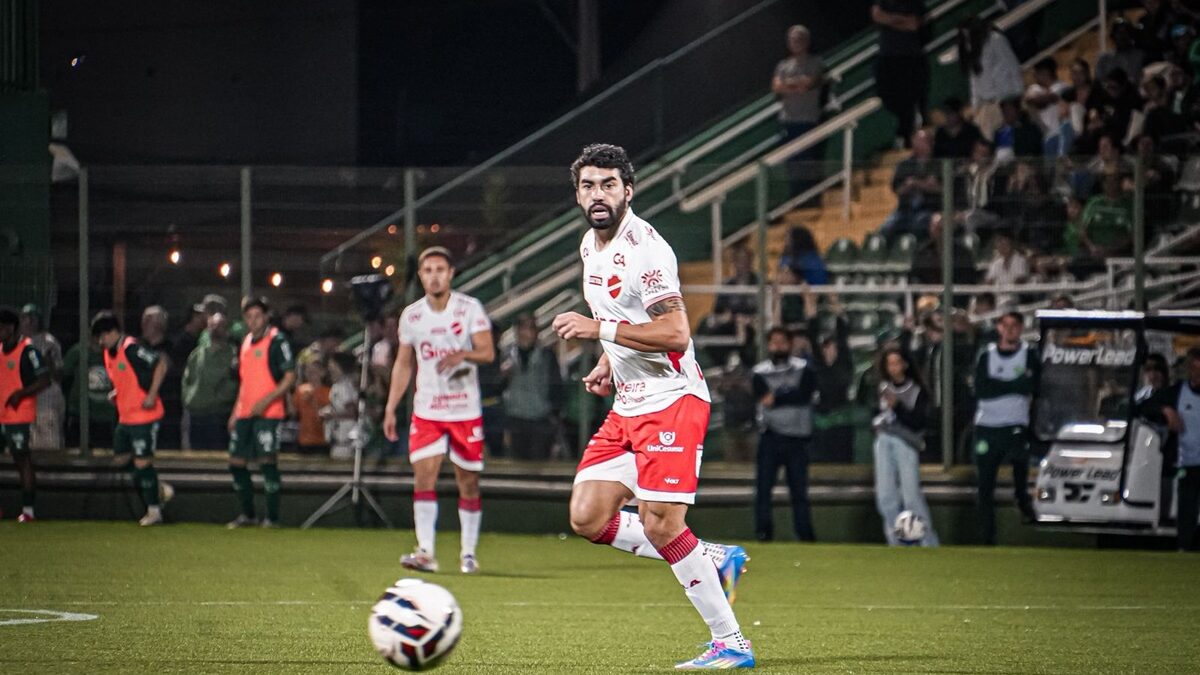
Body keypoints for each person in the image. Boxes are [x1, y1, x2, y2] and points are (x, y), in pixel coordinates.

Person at [551, 143, 754, 669]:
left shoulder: (647, 249)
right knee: (587, 516)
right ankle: (709, 556)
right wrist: (608, 359)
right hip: (628, 403)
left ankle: (731, 643)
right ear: (578, 195)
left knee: (662, 523)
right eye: (589, 186)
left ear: (628, 191)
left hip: (672, 401)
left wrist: (599, 330)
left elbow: (675, 332)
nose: (598, 194)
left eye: (609, 185)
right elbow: (627, 317)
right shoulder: (589, 246)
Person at [382, 247, 495, 574]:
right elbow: (403, 364)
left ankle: (468, 553)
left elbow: (488, 352)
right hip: (428, 410)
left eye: (440, 270)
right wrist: (391, 407)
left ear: (451, 274)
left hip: (464, 410)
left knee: (468, 482)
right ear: (421, 276)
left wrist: (463, 355)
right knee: (423, 477)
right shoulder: (412, 316)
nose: (434, 276)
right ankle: (426, 552)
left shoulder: (469, 308)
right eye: (428, 270)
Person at [91, 311, 169, 527]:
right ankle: (159, 488)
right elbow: (126, 378)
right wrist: (117, 393)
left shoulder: (131, 348)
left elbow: (160, 365)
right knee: (122, 458)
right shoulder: (109, 353)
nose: (101, 341)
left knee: (142, 462)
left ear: (113, 332)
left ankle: (154, 510)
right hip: (126, 417)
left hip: (145, 415)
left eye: (102, 336)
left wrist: (152, 395)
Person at [226, 296, 296, 529]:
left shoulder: (277, 341)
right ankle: (248, 514)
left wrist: (266, 401)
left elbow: (289, 377)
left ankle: (272, 517)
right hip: (245, 412)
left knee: (267, 461)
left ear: (266, 316)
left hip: (269, 412)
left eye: (257, 315)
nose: (253, 321)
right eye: (249, 317)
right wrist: (236, 411)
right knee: (236, 462)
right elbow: (244, 381)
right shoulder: (245, 342)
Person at [972, 311, 1038, 545]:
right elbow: (982, 390)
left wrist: (999, 385)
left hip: (1015, 424)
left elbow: (1031, 385)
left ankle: (1023, 500)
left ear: (1021, 328)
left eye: (1015, 325)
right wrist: (1014, 385)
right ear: (999, 328)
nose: (1010, 330)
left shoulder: (1029, 354)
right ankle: (986, 538)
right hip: (987, 426)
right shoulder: (986, 355)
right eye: (1005, 325)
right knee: (985, 485)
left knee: (1020, 462)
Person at [751, 327, 817, 542]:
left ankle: (805, 535)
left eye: (782, 341)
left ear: (790, 344)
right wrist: (789, 394)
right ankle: (763, 533)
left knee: (799, 491)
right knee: (763, 490)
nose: (778, 346)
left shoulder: (804, 369)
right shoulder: (759, 372)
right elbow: (764, 398)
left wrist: (778, 397)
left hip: (797, 439)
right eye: (774, 342)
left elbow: (804, 395)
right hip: (770, 437)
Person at [872, 346, 939, 546]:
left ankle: (928, 542)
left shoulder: (917, 390)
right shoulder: (882, 388)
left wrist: (898, 407)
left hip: (906, 442)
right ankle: (897, 543)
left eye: (897, 363)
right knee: (886, 497)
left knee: (911, 498)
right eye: (890, 364)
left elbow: (918, 422)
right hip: (884, 440)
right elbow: (874, 414)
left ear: (905, 364)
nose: (894, 368)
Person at [0, 307, 50, 522]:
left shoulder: (28, 351)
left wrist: (21, 393)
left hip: (18, 415)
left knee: (22, 459)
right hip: (1, 413)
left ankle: (28, 510)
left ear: (11, 328)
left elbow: (44, 379)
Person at [1150, 347, 1200, 551]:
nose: (1197, 374)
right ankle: (1184, 548)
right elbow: (1145, 406)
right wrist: (1165, 410)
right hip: (1187, 462)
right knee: (1186, 508)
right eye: (1194, 369)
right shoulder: (1177, 392)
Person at [500, 314, 563, 461]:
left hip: (540, 418)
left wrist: (554, 415)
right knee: (516, 461)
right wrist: (502, 375)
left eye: (532, 328)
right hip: (514, 417)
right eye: (524, 328)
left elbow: (557, 386)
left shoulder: (547, 355)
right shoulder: (507, 354)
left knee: (539, 461)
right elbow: (498, 387)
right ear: (517, 330)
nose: (528, 332)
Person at [772, 24, 826, 196]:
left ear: (807, 41)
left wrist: (789, 85)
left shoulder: (815, 62)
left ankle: (810, 196)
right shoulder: (783, 65)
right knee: (792, 163)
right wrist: (795, 85)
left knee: (808, 161)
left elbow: (809, 83)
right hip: (788, 120)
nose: (796, 43)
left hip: (808, 119)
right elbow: (776, 87)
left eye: (799, 39)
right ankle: (796, 196)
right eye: (793, 40)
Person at [872, 0, 928, 149]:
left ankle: (908, 136)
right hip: (888, 57)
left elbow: (914, 24)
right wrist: (902, 20)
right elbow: (877, 15)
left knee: (910, 98)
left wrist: (890, 19)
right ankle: (903, 134)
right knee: (888, 96)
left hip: (910, 57)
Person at [958, 17, 1024, 140]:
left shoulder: (995, 39)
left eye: (969, 35)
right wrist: (975, 106)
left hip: (1004, 98)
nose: (967, 39)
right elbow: (974, 80)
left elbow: (1012, 65)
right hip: (986, 102)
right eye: (964, 37)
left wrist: (1019, 93)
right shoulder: (969, 47)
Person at [181, 312, 238, 450]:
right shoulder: (196, 354)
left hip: (219, 416)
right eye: (212, 325)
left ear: (227, 330)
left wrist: (219, 399)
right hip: (196, 415)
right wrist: (189, 398)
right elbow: (186, 380)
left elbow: (235, 382)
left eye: (220, 325)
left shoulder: (233, 355)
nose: (215, 328)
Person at [881, 129, 942, 243]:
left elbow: (941, 188)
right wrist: (910, 186)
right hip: (905, 209)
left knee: (918, 226)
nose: (920, 145)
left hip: (929, 208)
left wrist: (916, 183)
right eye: (917, 141)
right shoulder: (904, 165)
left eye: (924, 141)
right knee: (886, 228)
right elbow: (897, 189)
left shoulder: (938, 164)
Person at [19, 304, 65, 451]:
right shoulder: (18, 342)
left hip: (47, 397)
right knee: (29, 445)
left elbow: (59, 375)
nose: (28, 322)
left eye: (32, 318)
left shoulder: (49, 341)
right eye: (25, 318)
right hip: (27, 398)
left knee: (49, 444)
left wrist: (48, 364)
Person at [1024, 57, 1072, 156]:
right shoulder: (1034, 88)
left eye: (1037, 72)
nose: (1034, 76)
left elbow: (1046, 100)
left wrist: (1045, 98)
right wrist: (1047, 98)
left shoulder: (1063, 87)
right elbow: (1029, 99)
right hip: (1043, 135)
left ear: (1046, 72)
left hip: (1059, 134)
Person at [323, 352, 359, 460]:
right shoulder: (338, 385)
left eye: (333, 365)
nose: (330, 368)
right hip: (338, 439)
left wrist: (332, 415)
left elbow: (352, 412)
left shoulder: (345, 386)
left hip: (345, 441)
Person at [293, 357, 331, 456]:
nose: (310, 374)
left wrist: (313, 400)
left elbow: (325, 415)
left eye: (314, 372)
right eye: (308, 371)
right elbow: (293, 412)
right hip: (304, 439)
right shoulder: (300, 390)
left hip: (322, 440)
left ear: (322, 373)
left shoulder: (329, 392)